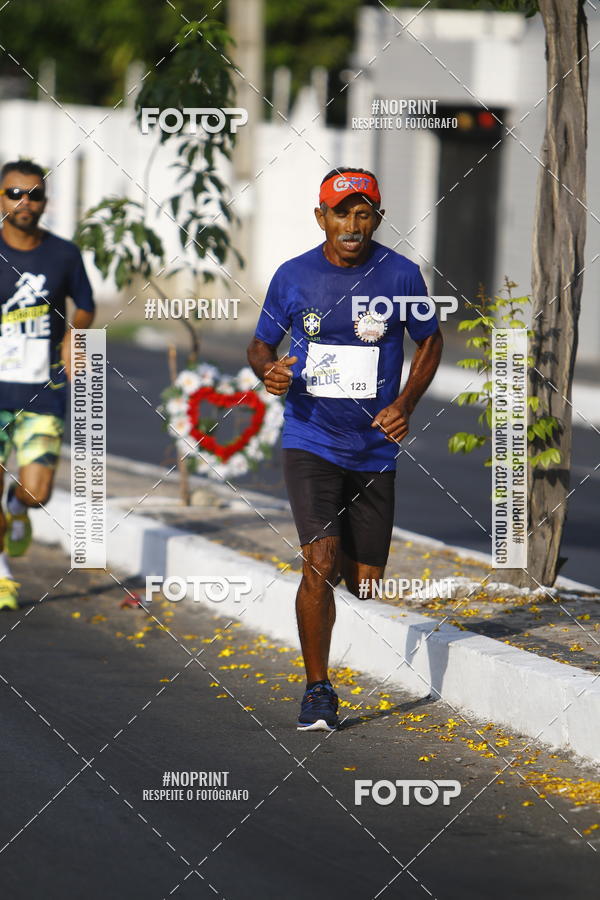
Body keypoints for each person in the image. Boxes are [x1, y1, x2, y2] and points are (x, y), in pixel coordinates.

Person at [247, 167, 443, 731]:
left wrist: (405, 403)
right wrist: (270, 373)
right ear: (321, 218)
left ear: (377, 219)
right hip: (310, 437)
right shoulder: (293, 276)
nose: (352, 225)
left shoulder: (402, 275)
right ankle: (317, 691)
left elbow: (430, 341)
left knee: (365, 581)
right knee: (319, 560)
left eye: (363, 214)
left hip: (374, 448)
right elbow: (262, 345)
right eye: (341, 213)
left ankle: (328, 596)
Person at [0, 159, 95, 610]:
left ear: (45, 202)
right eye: (14, 193)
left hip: (42, 394)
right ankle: (2, 575)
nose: (24, 202)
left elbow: (87, 305)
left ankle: (16, 506)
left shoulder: (63, 254)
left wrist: (75, 336)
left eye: (33, 194)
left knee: (37, 491)